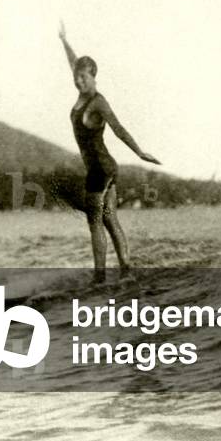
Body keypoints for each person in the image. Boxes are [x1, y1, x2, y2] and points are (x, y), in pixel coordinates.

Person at [58, 19, 161, 282]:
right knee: (109, 218)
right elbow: (74, 61)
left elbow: (118, 128)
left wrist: (140, 153)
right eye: (76, 77)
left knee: (94, 222)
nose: (79, 81)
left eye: (84, 77)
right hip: (104, 168)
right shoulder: (81, 89)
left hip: (100, 169)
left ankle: (99, 277)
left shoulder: (98, 102)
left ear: (93, 76)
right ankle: (126, 269)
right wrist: (64, 41)